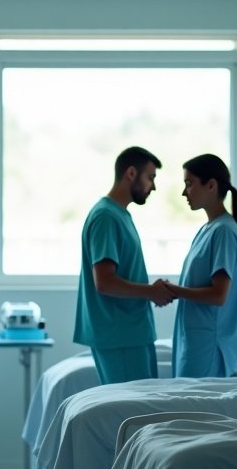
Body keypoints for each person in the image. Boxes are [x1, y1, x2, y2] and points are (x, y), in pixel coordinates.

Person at [73, 146, 173, 385]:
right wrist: (151, 291)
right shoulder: (106, 217)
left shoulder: (121, 215)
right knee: (132, 415)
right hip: (121, 336)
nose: (154, 186)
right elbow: (104, 282)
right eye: (150, 178)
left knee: (143, 412)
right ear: (130, 173)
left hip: (132, 334)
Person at [158, 153, 237, 378]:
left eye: (189, 184)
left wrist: (173, 290)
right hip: (195, 342)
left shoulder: (224, 231)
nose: (184, 192)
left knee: (193, 411)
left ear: (211, 185)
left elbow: (219, 295)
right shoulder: (209, 229)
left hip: (208, 347)